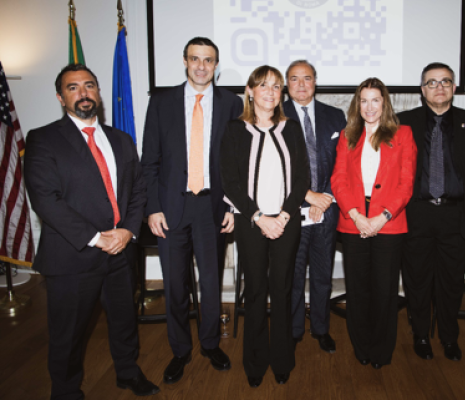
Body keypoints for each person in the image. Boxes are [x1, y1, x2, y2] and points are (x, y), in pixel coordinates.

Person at [24, 64, 158, 398]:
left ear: (98, 92)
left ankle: (127, 372)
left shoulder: (121, 139)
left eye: (89, 85)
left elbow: (138, 190)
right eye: (73, 88)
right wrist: (98, 238)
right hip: (73, 255)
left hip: (121, 250)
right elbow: (46, 199)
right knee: (68, 334)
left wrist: (127, 231)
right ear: (60, 97)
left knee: (125, 321)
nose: (83, 93)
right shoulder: (43, 139)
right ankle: (66, 391)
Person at [141, 37, 242, 383]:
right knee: (174, 286)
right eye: (195, 59)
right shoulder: (162, 102)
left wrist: (232, 205)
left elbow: (236, 163)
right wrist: (152, 208)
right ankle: (180, 350)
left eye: (209, 60)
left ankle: (211, 343)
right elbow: (149, 161)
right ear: (185, 61)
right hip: (171, 208)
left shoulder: (232, 103)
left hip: (212, 206)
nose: (201, 66)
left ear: (216, 64)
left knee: (211, 282)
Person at [220, 65, 309, 388]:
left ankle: (283, 360)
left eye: (276, 87)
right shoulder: (233, 130)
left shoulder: (292, 129)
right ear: (250, 90)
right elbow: (229, 181)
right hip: (250, 223)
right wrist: (259, 217)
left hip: (287, 222)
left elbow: (302, 179)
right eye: (263, 85)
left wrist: (284, 216)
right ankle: (255, 363)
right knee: (256, 292)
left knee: (283, 290)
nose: (270, 92)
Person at [397, 63, 465, 361]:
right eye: (432, 83)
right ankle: (421, 335)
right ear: (422, 89)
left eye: (445, 82)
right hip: (416, 214)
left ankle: (450, 337)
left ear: (453, 87)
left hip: (457, 215)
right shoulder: (402, 123)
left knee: (451, 282)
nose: (439, 87)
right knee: (417, 280)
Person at [331, 77, 417, 369]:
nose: (369, 107)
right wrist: (356, 216)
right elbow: (338, 180)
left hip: (389, 222)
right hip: (353, 218)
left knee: (384, 290)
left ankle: (382, 350)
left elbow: (406, 184)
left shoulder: (403, 134)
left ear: (385, 103)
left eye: (375, 100)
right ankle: (362, 346)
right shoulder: (348, 135)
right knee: (357, 289)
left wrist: (381, 218)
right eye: (364, 100)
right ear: (358, 104)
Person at [283, 60, 347, 353]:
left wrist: (327, 197)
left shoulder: (335, 116)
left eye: (306, 78)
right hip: (289, 211)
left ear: (315, 82)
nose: (301, 84)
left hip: (327, 209)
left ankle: (321, 329)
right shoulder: (274, 115)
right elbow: (273, 170)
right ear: (286, 84)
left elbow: (345, 165)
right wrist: (307, 196)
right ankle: (294, 330)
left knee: (323, 275)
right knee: (293, 276)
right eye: (294, 79)